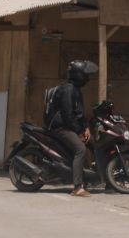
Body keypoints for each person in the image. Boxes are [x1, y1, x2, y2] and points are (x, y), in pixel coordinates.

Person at [48, 59, 98, 197]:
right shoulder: (68, 90)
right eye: (85, 74)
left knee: (93, 144)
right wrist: (79, 131)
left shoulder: (75, 90)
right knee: (80, 149)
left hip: (70, 126)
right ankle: (77, 187)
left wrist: (86, 127)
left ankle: (94, 178)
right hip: (61, 128)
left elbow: (79, 113)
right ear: (79, 75)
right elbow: (67, 115)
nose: (87, 78)